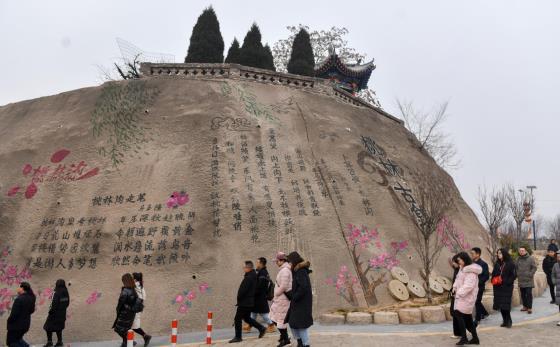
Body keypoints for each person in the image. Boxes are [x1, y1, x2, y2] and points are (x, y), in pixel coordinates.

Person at [229, 261, 266, 343]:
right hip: (249, 301)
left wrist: (239, 299)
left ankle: (238, 337)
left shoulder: (249, 277)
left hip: (245, 302)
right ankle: (261, 328)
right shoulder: (252, 276)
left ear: (248, 268)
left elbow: (243, 291)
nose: (243, 269)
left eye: (244, 267)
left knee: (237, 319)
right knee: (247, 318)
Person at [452, 252, 481, 345]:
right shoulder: (462, 268)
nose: (458, 261)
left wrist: (458, 293)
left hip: (467, 297)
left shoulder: (471, 271)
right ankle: (475, 338)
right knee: (468, 319)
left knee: (458, 314)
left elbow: (469, 286)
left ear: (464, 259)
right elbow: (458, 279)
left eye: (459, 260)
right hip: (461, 297)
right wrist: (454, 288)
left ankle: (464, 338)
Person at [286, 251, 313, 347]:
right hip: (298, 302)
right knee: (293, 323)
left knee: (301, 325)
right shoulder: (297, 271)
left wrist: (295, 297)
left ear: (293, 261)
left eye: (289, 261)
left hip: (302, 302)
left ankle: (305, 344)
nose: (288, 263)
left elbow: (304, 287)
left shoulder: (300, 271)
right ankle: (300, 342)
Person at [245, 257, 275, 334]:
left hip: (260, 297)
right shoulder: (260, 271)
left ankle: (271, 325)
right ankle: (249, 325)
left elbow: (260, 286)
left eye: (257, 262)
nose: (256, 264)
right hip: (257, 297)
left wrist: (252, 292)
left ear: (261, 263)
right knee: (253, 312)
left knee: (264, 314)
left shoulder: (263, 273)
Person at [270, 252, 293, 347]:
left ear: (282, 260)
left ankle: (286, 339)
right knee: (274, 317)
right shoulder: (284, 269)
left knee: (280, 320)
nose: (276, 262)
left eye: (277, 261)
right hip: (280, 299)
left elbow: (283, 286)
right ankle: (284, 337)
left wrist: (276, 293)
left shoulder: (285, 271)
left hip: (282, 299)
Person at [492, 248, 516, 328]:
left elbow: (513, 275)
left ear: (504, 254)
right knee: (500, 305)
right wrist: (494, 280)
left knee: (506, 305)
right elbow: (493, 273)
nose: (498, 255)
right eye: (498, 253)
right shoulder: (497, 264)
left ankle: (509, 321)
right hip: (498, 287)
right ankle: (504, 321)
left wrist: (506, 282)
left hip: (506, 287)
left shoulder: (510, 263)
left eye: (500, 253)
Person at [6, 282, 36, 347]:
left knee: (11, 342)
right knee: (18, 339)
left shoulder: (19, 299)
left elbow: (14, 314)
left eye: (19, 287)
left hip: (16, 326)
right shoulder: (31, 298)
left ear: (22, 288)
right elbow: (32, 310)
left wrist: (9, 321)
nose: (17, 289)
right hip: (25, 325)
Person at [113, 273, 138, 347]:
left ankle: (129, 341)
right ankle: (126, 342)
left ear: (125, 281)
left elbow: (120, 303)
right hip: (131, 313)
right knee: (126, 329)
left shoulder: (125, 291)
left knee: (118, 329)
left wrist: (117, 311)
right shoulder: (133, 290)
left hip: (124, 313)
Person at [43, 279, 70, 347]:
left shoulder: (56, 292)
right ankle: (59, 342)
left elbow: (53, 303)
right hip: (62, 313)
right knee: (59, 327)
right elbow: (67, 303)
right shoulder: (66, 292)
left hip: (54, 314)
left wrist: (50, 311)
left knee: (47, 327)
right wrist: (62, 309)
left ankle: (49, 342)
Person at [470, 247, 489, 326]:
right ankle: (484, 313)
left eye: (473, 253)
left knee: (477, 301)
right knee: (476, 301)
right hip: (472, 286)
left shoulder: (483, 264)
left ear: (478, 254)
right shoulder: (471, 263)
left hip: (479, 286)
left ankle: (477, 319)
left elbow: (486, 276)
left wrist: (478, 283)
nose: (471, 255)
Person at [132, 272, 151, 346]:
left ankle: (145, 336)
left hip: (135, 309)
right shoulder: (140, 285)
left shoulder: (135, 285)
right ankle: (129, 341)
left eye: (132, 277)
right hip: (136, 308)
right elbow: (144, 297)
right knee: (132, 326)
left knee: (134, 326)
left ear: (135, 279)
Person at [515, 246, 536, 314]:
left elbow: (534, 267)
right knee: (523, 294)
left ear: (525, 251)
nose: (521, 252)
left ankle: (529, 307)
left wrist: (530, 274)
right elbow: (515, 268)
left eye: (523, 250)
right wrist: (517, 274)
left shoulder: (530, 258)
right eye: (520, 251)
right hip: (521, 279)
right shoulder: (517, 259)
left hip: (528, 280)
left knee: (528, 294)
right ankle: (525, 306)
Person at [449, 255, 461, 339]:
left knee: (458, 315)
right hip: (454, 294)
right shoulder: (456, 270)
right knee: (454, 313)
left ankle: (459, 333)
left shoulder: (461, 271)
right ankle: (457, 333)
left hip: (459, 295)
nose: (453, 263)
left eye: (454, 262)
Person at [551, 250, 560, 326]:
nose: (559, 257)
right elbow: (553, 275)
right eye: (558, 257)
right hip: (558, 287)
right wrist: (554, 282)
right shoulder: (555, 265)